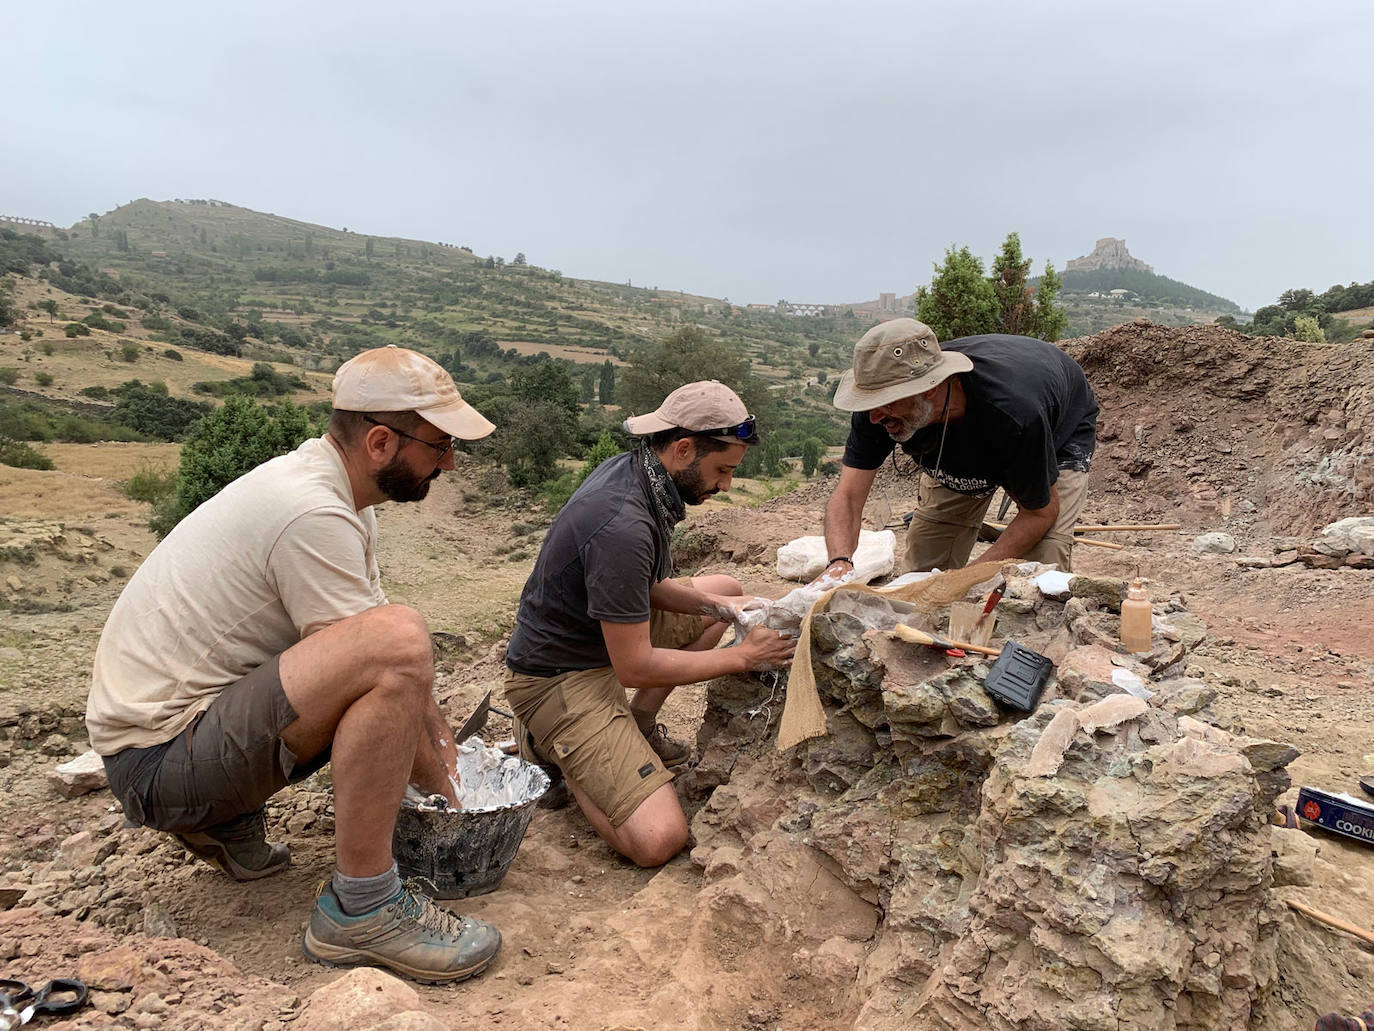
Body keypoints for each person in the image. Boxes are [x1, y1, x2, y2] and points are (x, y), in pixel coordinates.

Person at [86, 345, 504, 984]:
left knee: (390, 640)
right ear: (382, 443)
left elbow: (380, 665)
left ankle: (223, 819)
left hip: (169, 743)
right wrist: (454, 795)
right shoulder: (312, 511)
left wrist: (443, 758)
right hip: (159, 764)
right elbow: (390, 663)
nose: (448, 462)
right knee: (397, 639)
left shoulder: (332, 491)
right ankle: (363, 909)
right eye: (440, 445)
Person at [503, 381, 795, 868]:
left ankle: (632, 726)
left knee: (720, 589)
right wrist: (744, 656)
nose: (725, 485)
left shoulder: (641, 475)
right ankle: (561, 753)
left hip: (597, 638)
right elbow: (636, 665)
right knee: (659, 839)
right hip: (559, 677)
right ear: (683, 449)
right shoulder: (622, 523)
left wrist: (727, 610)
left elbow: (649, 584)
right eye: (722, 470)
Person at [820, 318, 1098, 579]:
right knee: (923, 570)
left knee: (1039, 569)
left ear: (928, 388)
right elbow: (847, 497)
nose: (874, 418)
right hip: (962, 437)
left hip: (1056, 426)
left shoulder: (1014, 415)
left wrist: (967, 578)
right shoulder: (878, 407)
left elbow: (1040, 513)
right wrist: (839, 563)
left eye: (888, 402)